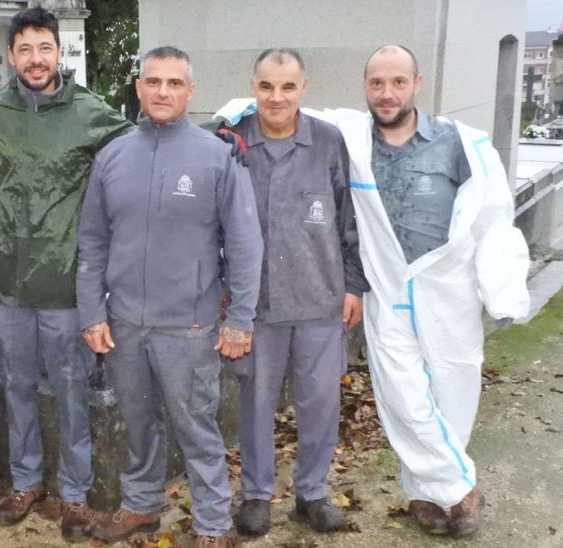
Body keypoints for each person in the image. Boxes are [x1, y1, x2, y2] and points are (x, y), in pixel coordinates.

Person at [318, 44, 530, 536]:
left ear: (417, 83)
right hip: (388, 292)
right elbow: (295, 110)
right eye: (376, 83)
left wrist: (502, 289)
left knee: (453, 392)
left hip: (449, 291)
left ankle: (425, 493)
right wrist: (237, 111)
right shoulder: (350, 138)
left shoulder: (461, 143)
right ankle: (462, 488)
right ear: (365, 87)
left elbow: (492, 217)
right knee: (402, 397)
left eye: (397, 82)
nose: (386, 93)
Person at [76, 46, 263, 548]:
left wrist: (240, 319)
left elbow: (245, 244)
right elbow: (92, 240)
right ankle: (141, 505)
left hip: (189, 324)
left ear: (190, 92)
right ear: (139, 88)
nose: (163, 92)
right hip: (125, 323)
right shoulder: (113, 156)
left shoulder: (217, 155)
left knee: (196, 427)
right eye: (153, 82)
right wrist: (92, 311)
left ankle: (211, 525)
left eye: (174, 83)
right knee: (137, 421)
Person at [0, 6, 132, 541]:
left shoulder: (91, 112)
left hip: (64, 282)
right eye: (25, 50)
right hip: (5, 281)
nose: (36, 60)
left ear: (60, 52)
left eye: (45, 48)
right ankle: (26, 480)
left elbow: (141, 150)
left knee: (71, 390)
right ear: (10, 55)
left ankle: (77, 494)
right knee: (15, 387)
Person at [224, 48, 368, 536]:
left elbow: (350, 218)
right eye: (266, 87)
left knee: (319, 403)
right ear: (253, 86)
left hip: (319, 301)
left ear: (303, 88)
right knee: (256, 403)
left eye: (287, 87)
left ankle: (312, 492)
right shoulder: (232, 142)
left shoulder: (328, 143)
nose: (277, 97)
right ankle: (258, 496)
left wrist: (353, 285)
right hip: (257, 307)